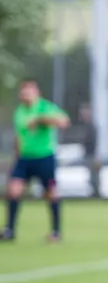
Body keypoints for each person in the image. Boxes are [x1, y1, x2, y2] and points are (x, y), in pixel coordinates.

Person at [1, 79, 70, 242]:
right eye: (23, 92)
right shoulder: (19, 112)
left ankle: (56, 232)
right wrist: (16, 153)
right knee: (13, 191)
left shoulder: (44, 107)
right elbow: (19, 135)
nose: (25, 95)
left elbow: (63, 121)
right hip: (24, 159)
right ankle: (9, 230)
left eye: (29, 92)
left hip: (44, 158)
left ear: (36, 93)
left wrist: (40, 120)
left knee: (51, 193)